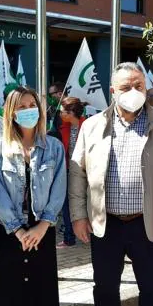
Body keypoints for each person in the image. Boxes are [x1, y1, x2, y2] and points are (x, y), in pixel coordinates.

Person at [69, 62, 153, 306]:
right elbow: (78, 172)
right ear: (113, 91)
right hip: (106, 224)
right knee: (104, 289)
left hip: (149, 223)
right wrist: (78, 216)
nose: (133, 91)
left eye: (139, 85)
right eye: (126, 87)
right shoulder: (91, 126)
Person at [0, 86, 66, 306]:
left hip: (42, 226)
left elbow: (58, 189)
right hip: (9, 231)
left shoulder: (54, 148)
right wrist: (18, 231)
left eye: (32, 106)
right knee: (9, 295)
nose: (28, 110)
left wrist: (43, 226)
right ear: (11, 112)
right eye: (21, 107)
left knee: (41, 295)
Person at [55, 96, 87, 249]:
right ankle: (69, 237)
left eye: (62, 112)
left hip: (87, 172)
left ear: (71, 112)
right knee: (67, 205)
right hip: (68, 171)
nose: (60, 114)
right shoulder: (63, 128)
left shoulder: (88, 125)